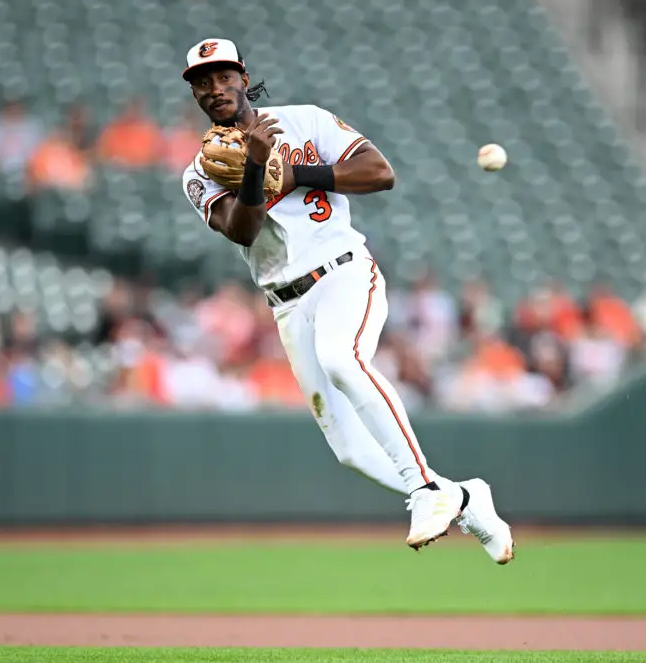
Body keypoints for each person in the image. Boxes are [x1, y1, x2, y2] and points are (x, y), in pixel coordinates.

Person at [179, 38, 513, 563]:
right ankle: (466, 498)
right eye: (202, 81)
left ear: (244, 77)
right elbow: (241, 232)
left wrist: (293, 172)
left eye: (223, 76)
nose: (214, 87)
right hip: (286, 303)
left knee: (342, 357)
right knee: (351, 451)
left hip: (342, 272)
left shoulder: (304, 121)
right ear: (195, 93)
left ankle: (426, 491)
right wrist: (254, 169)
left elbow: (380, 173)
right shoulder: (198, 172)